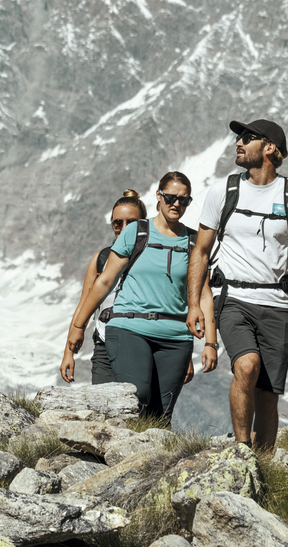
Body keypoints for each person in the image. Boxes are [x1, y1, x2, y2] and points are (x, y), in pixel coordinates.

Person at [186, 118, 288, 451]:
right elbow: (201, 251)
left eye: (248, 137)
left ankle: (262, 468)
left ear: (270, 148)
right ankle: (240, 453)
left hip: (277, 305)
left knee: (267, 398)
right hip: (232, 298)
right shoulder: (224, 190)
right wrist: (194, 302)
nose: (238, 142)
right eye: (239, 137)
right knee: (246, 365)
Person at [61, 172, 217, 419]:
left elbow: (204, 294)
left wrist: (210, 342)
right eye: (170, 197)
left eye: (184, 200)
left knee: (160, 415)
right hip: (129, 327)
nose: (176, 204)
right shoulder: (136, 232)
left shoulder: (193, 242)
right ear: (158, 196)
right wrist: (77, 327)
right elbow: (104, 281)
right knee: (136, 395)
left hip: (175, 337)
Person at [61, 191, 146, 384]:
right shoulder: (101, 259)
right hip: (104, 347)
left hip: (144, 343)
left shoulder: (151, 258)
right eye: (118, 223)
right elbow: (84, 305)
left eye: (131, 222)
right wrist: (68, 352)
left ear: (143, 225)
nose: (124, 228)